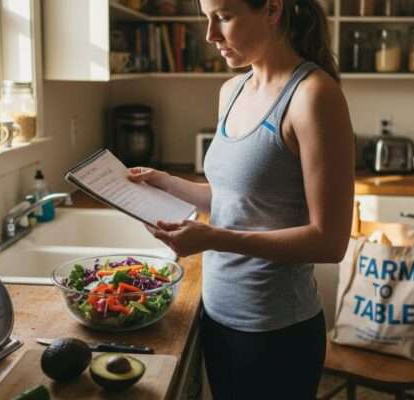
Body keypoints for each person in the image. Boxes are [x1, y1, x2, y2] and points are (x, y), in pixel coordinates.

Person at [128, 0, 354, 398]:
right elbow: (239, 201)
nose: (210, 36)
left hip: (276, 332)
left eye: (224, 17)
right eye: (207, 18)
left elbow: (330, 241)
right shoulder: (231, 91)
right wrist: (166, 182)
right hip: (216, 316)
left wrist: (214, 238)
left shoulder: (314, 95)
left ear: (271, 9)